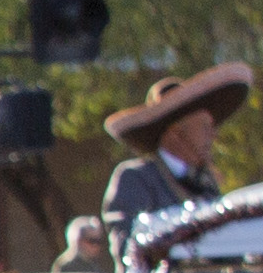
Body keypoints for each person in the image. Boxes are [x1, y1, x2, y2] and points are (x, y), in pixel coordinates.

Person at [100, 59, 254, 241]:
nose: (213, 136)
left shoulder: (206, 183)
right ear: (175, 135)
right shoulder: (137, 178)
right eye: (204, 127)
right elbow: (129, 243)